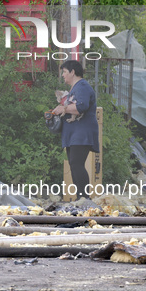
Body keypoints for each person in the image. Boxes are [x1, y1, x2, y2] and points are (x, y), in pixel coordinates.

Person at [52, 60, 99, 198]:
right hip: (73, 134)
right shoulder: (75, 88)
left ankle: (84, 198)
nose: (62, 75)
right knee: (74, 165)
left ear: (73, 72)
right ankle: (80, 198)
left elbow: (81, 106)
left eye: (65, 72)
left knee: (76, 164)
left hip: (81, 133)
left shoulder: (82, 86)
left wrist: (64, 108)